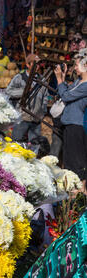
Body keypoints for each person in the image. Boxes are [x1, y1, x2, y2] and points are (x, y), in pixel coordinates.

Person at [54, 49, 87, 194]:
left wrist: (60, 80)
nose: (75, 67)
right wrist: (63, 76)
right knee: (69, 163)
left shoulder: (86, 86)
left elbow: (66, 97)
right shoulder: (79, 82)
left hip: (77, 127)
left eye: (77, 65)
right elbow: (65, 92)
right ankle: (75, 199)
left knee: (77, 166)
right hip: (70, 125)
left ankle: (79, 199)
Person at [5, 53, 48, 142]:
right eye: (34, 63)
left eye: (38, 64)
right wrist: (24, 91)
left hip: (36, 118)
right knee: (17, 143)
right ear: (27, 65)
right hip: (22, 117)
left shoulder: (42, 80)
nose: (37, 66)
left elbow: (45, 97)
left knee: (34, 145)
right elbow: (8, 91)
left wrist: (42, 112)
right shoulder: (19, 77)